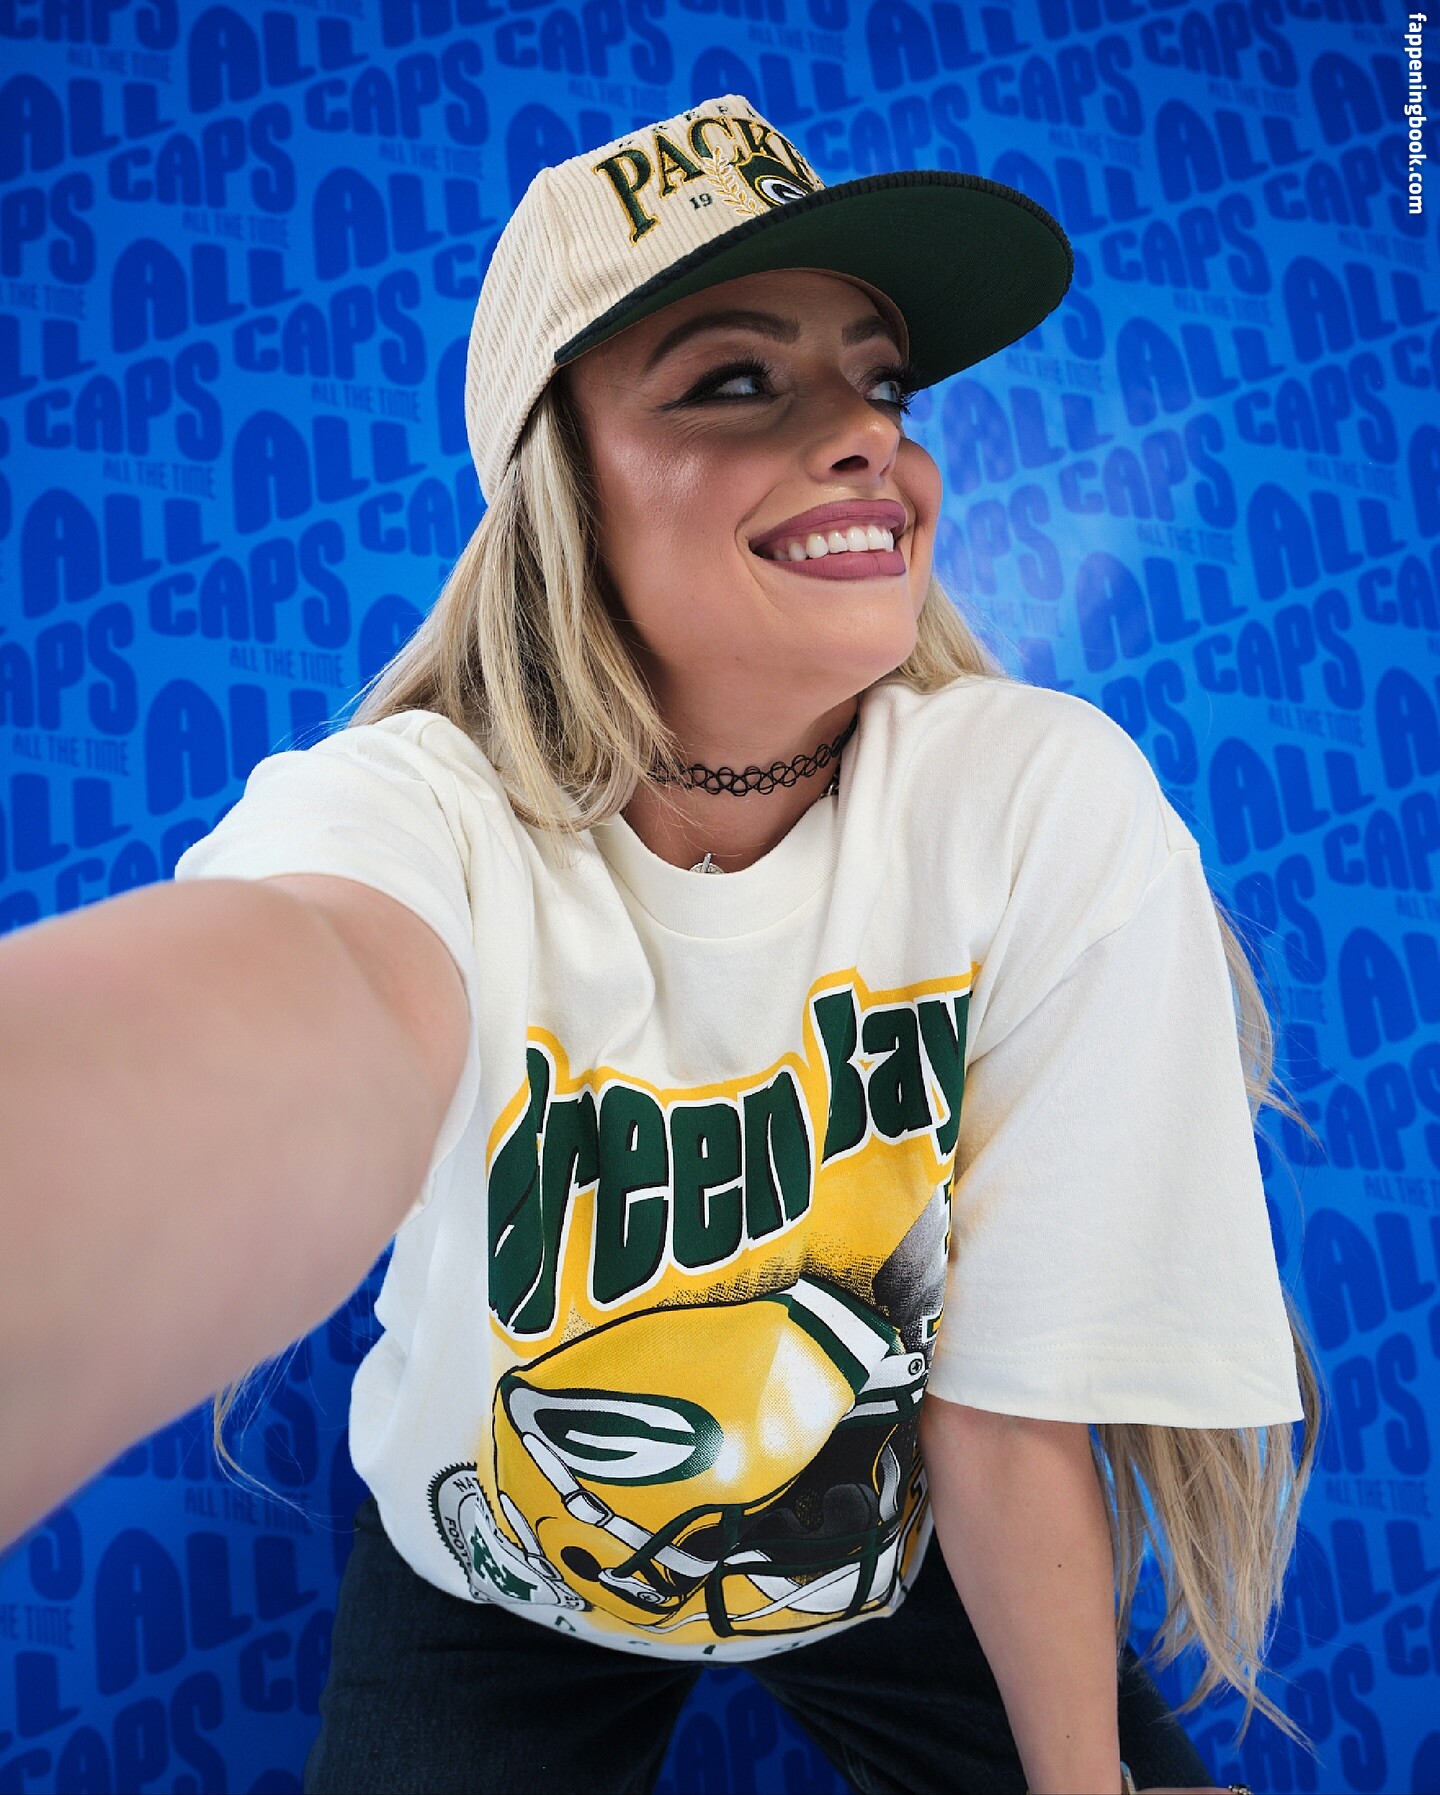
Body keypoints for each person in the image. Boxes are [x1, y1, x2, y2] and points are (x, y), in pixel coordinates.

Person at [0, 95, 1319, 1795]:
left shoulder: (1037, 801)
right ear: (563, 487)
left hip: (877, 1525)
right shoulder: (420, 812)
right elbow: (312, 1005)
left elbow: (1004, 1405)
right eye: (737, 380)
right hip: (498, 1558)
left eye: (882, 381)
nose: (868, 439)